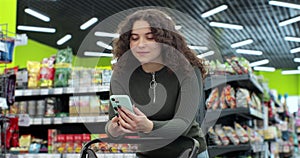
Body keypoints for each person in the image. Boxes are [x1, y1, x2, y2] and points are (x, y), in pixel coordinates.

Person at [105, 8, 208, 158]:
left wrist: (149, 126)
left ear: (165, 40)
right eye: (134, 38)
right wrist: (115, 129)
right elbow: (110, 124)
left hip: (189, 152)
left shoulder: (187, 70)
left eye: (150, 37)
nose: (141, 44)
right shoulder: (122, 74)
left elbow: (183, 124)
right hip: (147, 153)